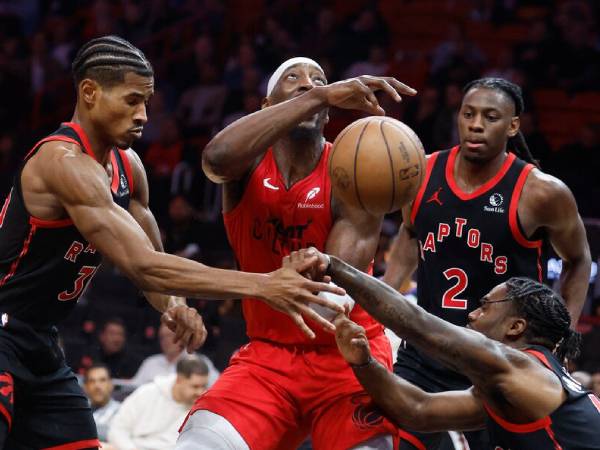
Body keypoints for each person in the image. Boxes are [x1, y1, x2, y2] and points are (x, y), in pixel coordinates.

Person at [0, 36, 344, 449]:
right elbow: (143, 265)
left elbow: (155, 266)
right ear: (89, 93)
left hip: (38, 340)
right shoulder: (62, 162)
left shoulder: (129, 166)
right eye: (131, 101)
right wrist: (264, 284)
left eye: (146, 101)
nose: (143, 115)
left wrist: (175, 306)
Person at [177, 57, 417, 450]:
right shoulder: (246, 163)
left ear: (326, 116)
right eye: (294, 79)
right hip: (268, 356)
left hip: (347, 353)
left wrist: (300, 280)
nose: (307, 85)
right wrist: (321, 94)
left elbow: (327, 305)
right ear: (268, 108)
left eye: (318, 80)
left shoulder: (353, 171)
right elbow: (215, 159)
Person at [383, 77, 591, 448]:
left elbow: (578, 260)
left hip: (497, 361)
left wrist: (560, 340)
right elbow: (409, 235)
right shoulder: (422, 173)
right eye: (468, 114)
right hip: (425, 352)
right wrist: (384, 295)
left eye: (490, 117)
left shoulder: (542, 192)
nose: (476, 124)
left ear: (513, 126)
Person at [288, 248, 600, 449]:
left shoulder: (520, 368)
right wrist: (364, 363)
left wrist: (334, 265)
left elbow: (418, 325)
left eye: (486, 306)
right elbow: (417, 410)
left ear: (515, 327)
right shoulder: (516, 387)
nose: (472, 314)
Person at [109, 355, 209, 450]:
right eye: (195, 386)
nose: (200, 392)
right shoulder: (147, 393)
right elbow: (117, 429)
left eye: (204, 386)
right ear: (179, 380)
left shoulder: (203, 409)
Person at [133, 323, 219, 386]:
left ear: (182, 338)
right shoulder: (151, 362)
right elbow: (133, 387)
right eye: (162, 337)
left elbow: (217, 387)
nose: (165, 341)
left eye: (169, 336)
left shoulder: (199, 361)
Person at [83, 363, 121, 444]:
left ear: (111, 385)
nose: (97, 386)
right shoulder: (78, 409)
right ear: (85, 387)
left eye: (102, 380)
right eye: (92, 381)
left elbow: (117, 435)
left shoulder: (122, 411)